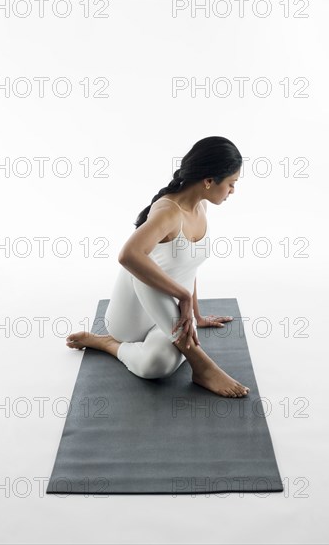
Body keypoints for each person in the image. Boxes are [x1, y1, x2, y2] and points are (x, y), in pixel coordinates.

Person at [66, 136, 250, 398]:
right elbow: (128, 256)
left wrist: (196, 315)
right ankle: (202, 366)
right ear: (209, 181)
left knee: (157, 367)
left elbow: (189, 267)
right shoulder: (168, 212)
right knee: (142, 264)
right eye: (231, 184)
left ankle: (107, 345)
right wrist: (184, 296)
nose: (233, 190)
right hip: (131, 317)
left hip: (171, 316)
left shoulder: (202, 208)